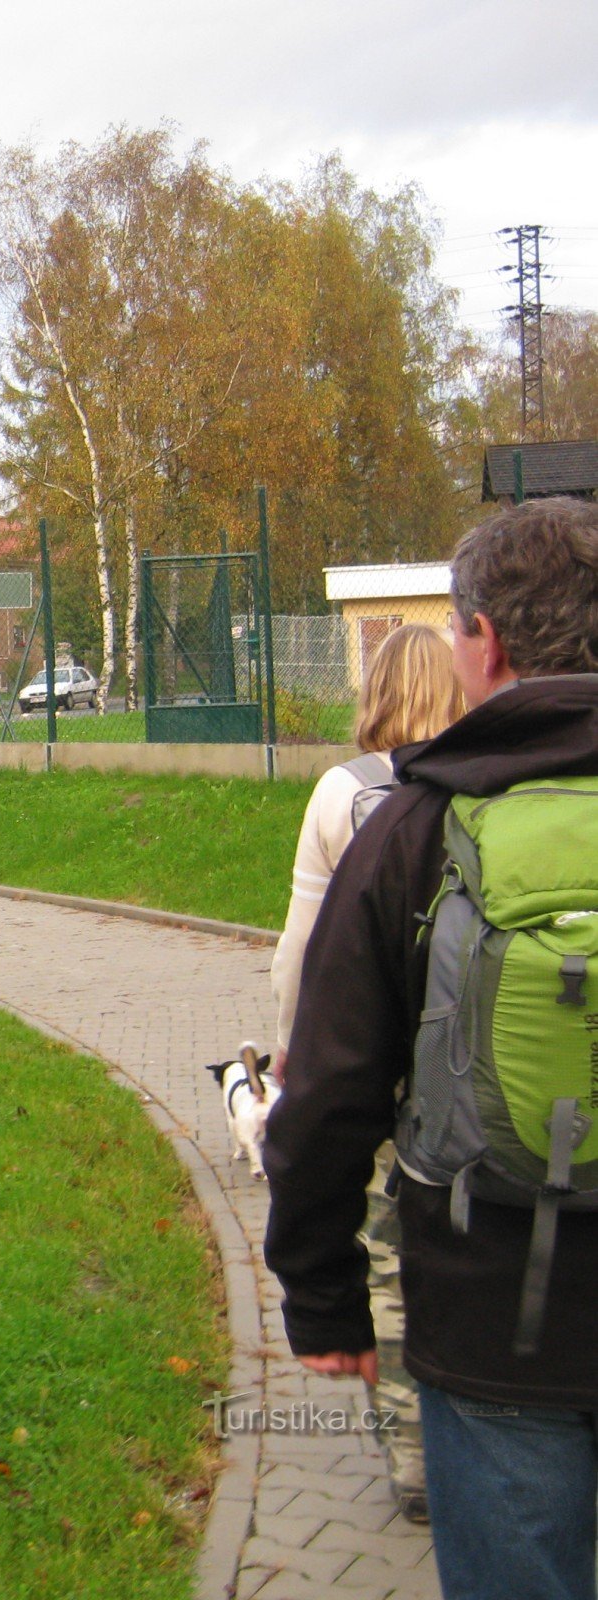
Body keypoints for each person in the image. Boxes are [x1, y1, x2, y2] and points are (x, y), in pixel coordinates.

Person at [265, 497, 598, 1600]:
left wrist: (325, 1297)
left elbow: (327, 1089)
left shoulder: (415, 827)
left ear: (486, 641)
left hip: (494, 1312)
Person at [267, 622, 464, 1522]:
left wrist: (287, 1063)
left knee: (386, 1260)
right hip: (464, 1066)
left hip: (368, 1063)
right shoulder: (483, 785)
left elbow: (302, 954)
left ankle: (414, 1454)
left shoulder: (342, 795)